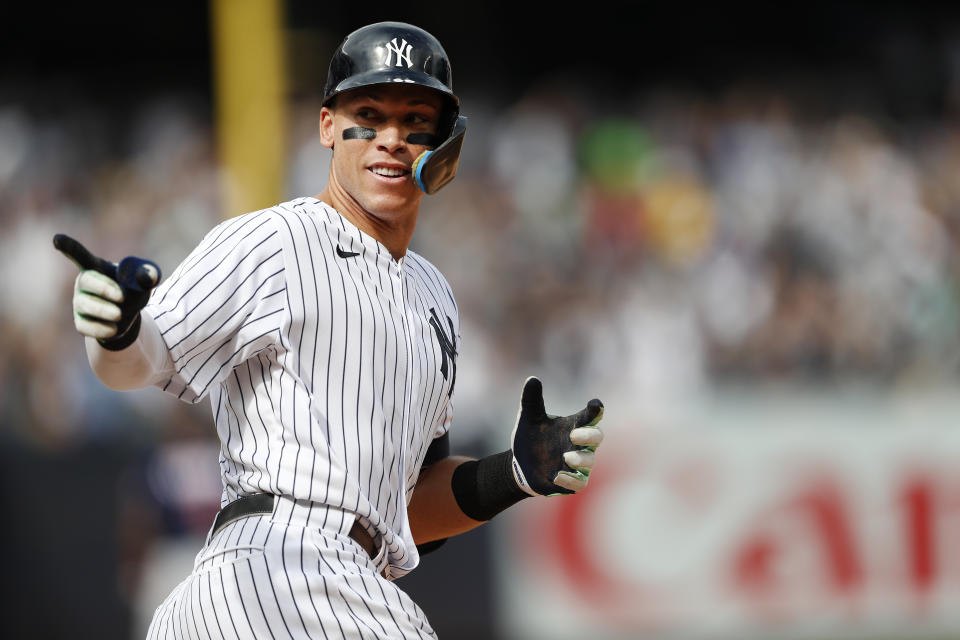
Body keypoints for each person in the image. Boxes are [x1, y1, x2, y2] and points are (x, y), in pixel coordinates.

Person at [57, 21, 605, 639]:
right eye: (367, 116)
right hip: (273, 570)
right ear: (326, 128)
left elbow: (409, 511)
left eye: (414, 121)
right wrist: (116, 331)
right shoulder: (277, 239)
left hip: (349, 581)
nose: (390, 139)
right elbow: (148, 356)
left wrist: (514, 475)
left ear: (444, 145)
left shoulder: (435, 296)